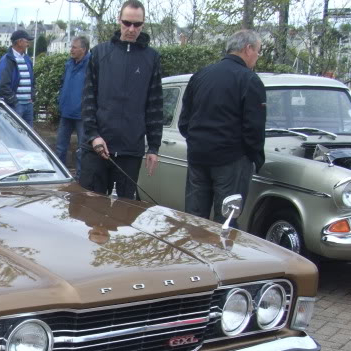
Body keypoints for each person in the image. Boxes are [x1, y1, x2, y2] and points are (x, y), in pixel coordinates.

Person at [178, 30, 266, 223]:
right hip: (231, 160)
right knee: (226, 221)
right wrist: (254, 156)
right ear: (248, 48)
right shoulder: (249, 80)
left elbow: (184, 122)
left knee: (194, 219)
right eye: (258, 51)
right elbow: (254, 128)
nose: (257, 57)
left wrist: (198, 141)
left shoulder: (200, 76)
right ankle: (221, 253)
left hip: (198, 157)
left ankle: (193, 251)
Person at [80, 0, 163, 199]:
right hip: (97, 147)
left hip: (130, 151)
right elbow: (88, 99)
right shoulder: (99, 53)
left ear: (143, 24)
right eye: (127, 23)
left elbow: (155, 104)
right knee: (90, 210)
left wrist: (153, 147)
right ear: (119, 21)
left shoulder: (151, 58)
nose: (131, 29)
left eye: (137, 24)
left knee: (123, 216)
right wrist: (93, 135)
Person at [55, 36, 90, 175]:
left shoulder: (91, 64)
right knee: (60, 147)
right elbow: (64, 83)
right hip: (66, 112)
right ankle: (59, 174)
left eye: (74, 47)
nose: (71, 50)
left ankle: (81, 178)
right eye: (71, 47)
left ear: (83, 49)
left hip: (82, 114)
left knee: (83, 148)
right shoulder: (69, 64)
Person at [0, 30, 35, 126]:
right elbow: (2, 85)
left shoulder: (27, 59)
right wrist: (15, 102)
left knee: (30, 136)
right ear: (19, 42)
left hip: (28, 104)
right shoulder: (6, 60)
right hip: (15, 105)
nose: (28, 43)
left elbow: (32, 80)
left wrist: (32, 96)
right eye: (26, 41)